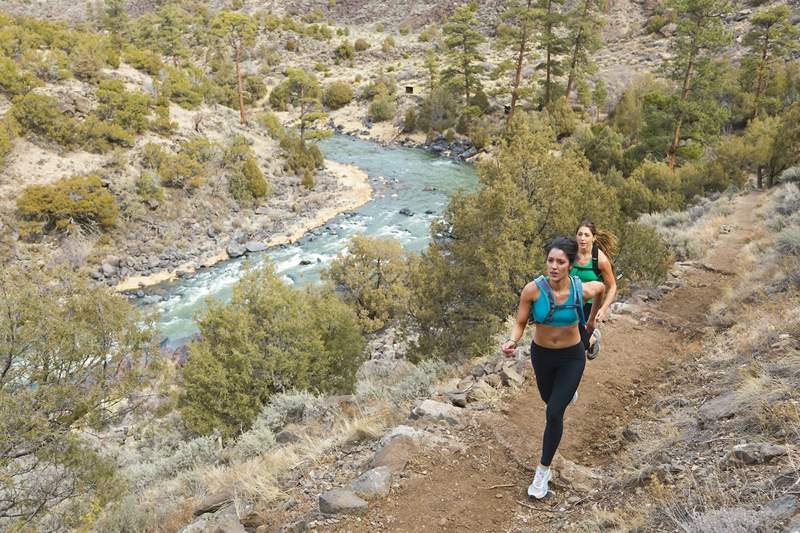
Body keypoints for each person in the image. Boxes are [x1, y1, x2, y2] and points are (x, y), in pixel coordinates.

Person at [501, 237, 605, 499]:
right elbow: (521, 323)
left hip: (572, 356)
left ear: (570, 264)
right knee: (549, 399)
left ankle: (542, 472)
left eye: (560, 262)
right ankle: (566, 395)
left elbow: (602, 287)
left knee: (553, 412)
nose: (554, 266)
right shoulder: (532, 291)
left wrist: (590, 323)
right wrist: (512, 341)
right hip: (542, 356)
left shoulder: (581, 290)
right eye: (551, 261)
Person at [572, 220, 618, 358]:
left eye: (586, 235)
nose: (582, 238)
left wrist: (603, 309)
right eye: (579, 234)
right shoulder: (569, 254)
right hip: (569, 302)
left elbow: (613, 286)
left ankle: (593, 339)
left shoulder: (600, 260)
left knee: (580, 344)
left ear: (594, 237)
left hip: (590, 306)